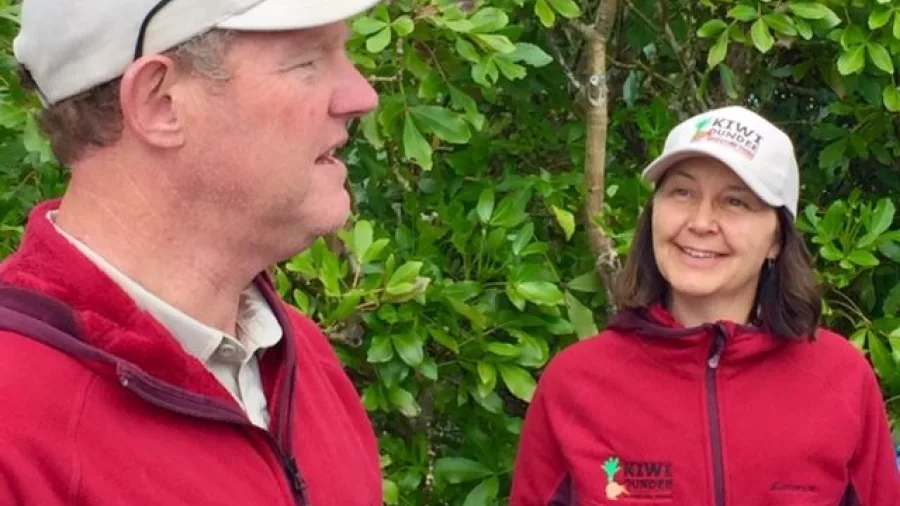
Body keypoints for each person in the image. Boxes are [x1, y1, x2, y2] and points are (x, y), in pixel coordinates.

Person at [0, 0, 383, 504]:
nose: (363, 96)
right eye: (306, 61)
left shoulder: (298, 358)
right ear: (160, 102)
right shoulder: (16, 425)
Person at [510, 106, 900, 505]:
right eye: (682, 192)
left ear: (777, 238)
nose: (700, 222)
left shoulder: (841, 381)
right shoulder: (576, 385)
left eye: (735, 202)